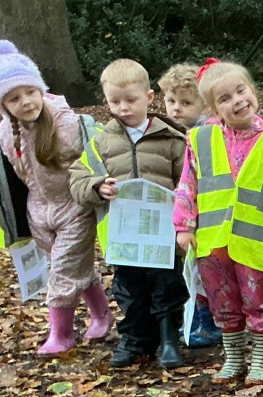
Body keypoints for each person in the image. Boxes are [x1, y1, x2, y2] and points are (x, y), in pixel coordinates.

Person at [172, 61, 263, 385]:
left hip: (256, 240)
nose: (237, 101)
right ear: (213, 107)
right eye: (225, 98)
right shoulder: (200, 140)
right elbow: (187, 185)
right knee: (222, 300)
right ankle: (233, 358)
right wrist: (184, 225)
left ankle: (260, 361)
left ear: (252, 90)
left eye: (241, 91)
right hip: (213, 239)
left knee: (260, 299)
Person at [0, 39, 109, 357]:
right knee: (72, 266)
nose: (25, 102)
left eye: (30, 91)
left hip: (73, 205)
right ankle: (102, 313)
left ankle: (61, 335)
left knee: (63, 271)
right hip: (38, 209)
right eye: (14, 98)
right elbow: (16, 171)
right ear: (3, 105)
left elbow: (92, 159)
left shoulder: (65, 123)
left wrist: (93, 192)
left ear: (40, 88)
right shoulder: (6, 131)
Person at [70, 59, 190, 369]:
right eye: (115, 101)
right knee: (129, 290)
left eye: (131, 100)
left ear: (149, 98)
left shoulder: (173, 140)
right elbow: (78, 178)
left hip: (163, 233)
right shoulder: (100, 143)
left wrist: (184, 204)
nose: (123, 108)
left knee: (167, 286)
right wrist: (97, 187)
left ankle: (168, 339)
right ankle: (135, 340)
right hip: (122, 235)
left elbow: (189, 180)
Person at [158, 62, 220, 348]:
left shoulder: (206, 133)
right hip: (192, 213)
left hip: (207, 213)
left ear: (204, 104)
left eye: (185, 102)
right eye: (171, 101)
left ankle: (209, 323)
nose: (176, 109)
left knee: (203, 271)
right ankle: (201, 319)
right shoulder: (187, 132)